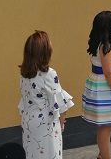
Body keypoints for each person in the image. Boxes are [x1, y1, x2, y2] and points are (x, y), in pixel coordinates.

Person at [18, 30, 74, 159]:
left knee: (32, 154)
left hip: (28, 121)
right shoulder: (49, 74)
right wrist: (61, 122)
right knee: (50, 154)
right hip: (46, 124)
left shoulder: (24, 74)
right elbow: (60, 102)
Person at [82, 11, 111, 159]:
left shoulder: (97, 43)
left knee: (105, 125)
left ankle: (103, 155)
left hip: (98, 83)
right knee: (106, 127)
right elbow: (108, 72)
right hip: (105, 88)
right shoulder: (105, 46)